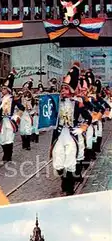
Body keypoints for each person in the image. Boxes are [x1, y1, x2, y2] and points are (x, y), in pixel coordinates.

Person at [51, 63, 92, 195]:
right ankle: (65, 179)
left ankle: (68, 187)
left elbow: (88, 117)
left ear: (71, 90)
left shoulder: (77, 103)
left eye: (65, 88)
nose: (62, 91)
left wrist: (83, 128)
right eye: (62, 88)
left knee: (69, 161)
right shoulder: (57, 102)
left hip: (72, 134)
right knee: (57, 161)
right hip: (59, 135)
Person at [0, 74, 25, 162]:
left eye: (5, 88)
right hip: (1, 121)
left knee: (9, 138)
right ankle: (5, 152)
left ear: (8, 90)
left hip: (10, 121)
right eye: (2, 88)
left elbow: (22, 108)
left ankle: (8, 155)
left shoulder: (13, 99)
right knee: (2, 138)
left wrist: (16, 117)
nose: (3, 90)